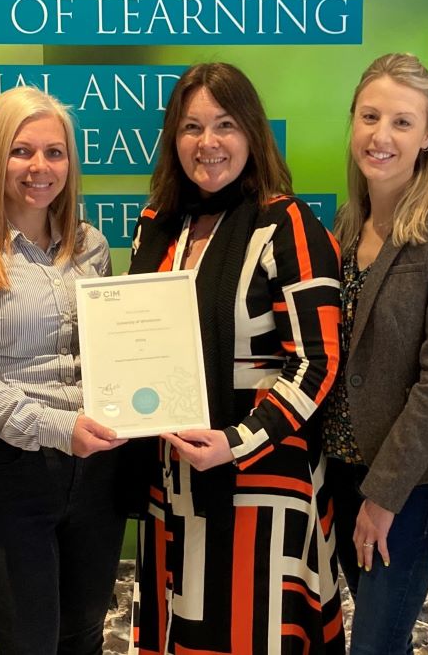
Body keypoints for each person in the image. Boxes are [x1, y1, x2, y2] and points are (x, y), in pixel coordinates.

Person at [126, 62, 344, 654]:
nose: (209, 143)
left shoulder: (288, 225)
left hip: (261, 485)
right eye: (192, 127)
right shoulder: (159, 228)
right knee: (182, 631)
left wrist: (239, 439)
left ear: (252, 132)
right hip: (173, 484)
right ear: (174, 138)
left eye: (225, 124)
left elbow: (318, 362)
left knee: (253, 634)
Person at [0, 85, 127, 655]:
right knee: (28, 644)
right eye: (21, 151)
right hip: (10, 474)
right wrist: (60, 429)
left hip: (97, 475)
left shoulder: (91, 246)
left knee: (84, 637)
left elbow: (109, 353)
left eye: (54, 152)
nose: (41, 167)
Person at [322, 53, 428, 654]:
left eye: (402, 123)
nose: (381, 136)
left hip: (406, 484)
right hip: (339, 470)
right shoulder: (346, 225)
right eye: (370, 116)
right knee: (388, 640)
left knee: (375, 645)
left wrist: (383, 497)